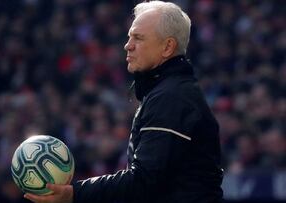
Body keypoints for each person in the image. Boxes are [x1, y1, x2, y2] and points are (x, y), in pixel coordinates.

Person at [24, 1, 223, 203]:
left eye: (138, 37)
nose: (127, 45)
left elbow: (143, 181)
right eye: (129, 37)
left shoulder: (172, 97)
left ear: (167, 47)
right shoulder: (167, 92)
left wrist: (74, 194)